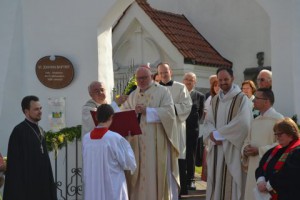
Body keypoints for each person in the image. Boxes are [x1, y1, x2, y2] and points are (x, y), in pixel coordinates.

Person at [121, 66, 180, 200]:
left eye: (144, 77)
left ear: (151, 77)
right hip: (136, 143)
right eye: (138, 78)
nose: (141, 81)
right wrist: (133, 112)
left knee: (154, 173)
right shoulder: (133, 94)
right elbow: (123, 114)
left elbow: (170, 114)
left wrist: (148, 111)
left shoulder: (162, 91)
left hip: (155, 143)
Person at [203, 67, 253, 200]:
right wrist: (212, 134)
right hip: (217, 148)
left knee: (231, 184)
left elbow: (244, 123)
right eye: (220, 80)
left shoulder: (241, 99)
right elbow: (207, 122)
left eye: (226, 79)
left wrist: (220, 135)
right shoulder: (214, 100)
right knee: (216, 181)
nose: (223, 82)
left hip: (232, 148)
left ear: (233, 79)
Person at [3, 95, 57, 200]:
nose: (40, 111)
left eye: (40, 108)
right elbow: (15, 165)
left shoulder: (41, 130)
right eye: (36, 109)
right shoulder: (19, 131)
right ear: (26, 111)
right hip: (27, 187)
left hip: (42, 184)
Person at [82, 104, 136, 200]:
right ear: (111, 117)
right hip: (112, 185)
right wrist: (128, 143)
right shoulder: (115, 138)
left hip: (93, 185)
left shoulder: (86, 138)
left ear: (96, 116)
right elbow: (128, 163)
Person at [241, 88, 284, 200]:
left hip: (267, 167)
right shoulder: (255, 120)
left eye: (257, 98)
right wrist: (245, 149)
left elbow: (281, 144)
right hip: (252, 168)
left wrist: (259, 150)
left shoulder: (278, 120)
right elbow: (247, 140)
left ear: (266, 101)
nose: (253, 101)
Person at [157, 62, 192, 196]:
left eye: (165, 72)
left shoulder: (181, 87)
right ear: (158, 75)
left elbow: (187, 105)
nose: (163, 75)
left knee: (178, 158)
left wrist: (168, 110)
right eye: (161, 73)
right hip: (160, 129)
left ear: (170, 72)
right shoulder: (155, 89)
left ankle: (180, 192)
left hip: (176, 128)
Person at [255, 117, 300, 199]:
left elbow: (290, 173)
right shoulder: (273, 151)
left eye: (280, 134)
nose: (277, 137)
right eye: (276, 134)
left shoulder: (297, 151)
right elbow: (261, 167)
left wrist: (269, 185)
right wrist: (260, 180)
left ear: (290, 133)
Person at [182, 72, 205, 191]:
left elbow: (200, 114)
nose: (188, 82)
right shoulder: (179, 94)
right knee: (180, 155)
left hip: (192, 131)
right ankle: (181, 178)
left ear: (195, 82)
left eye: (191, 80)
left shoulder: (200, 96)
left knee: (191, 155)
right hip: (179, 130)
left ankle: (191, 180)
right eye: (186, 79)